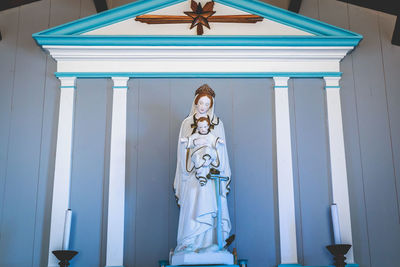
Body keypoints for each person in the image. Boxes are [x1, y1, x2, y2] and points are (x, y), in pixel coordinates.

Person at [174, 84, 231, 254]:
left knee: (211, 205)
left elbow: (222, 150)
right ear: (196, 103)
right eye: (201, 103)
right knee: (193, 205)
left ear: (211, 105)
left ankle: (211, 244)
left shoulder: (218, 124)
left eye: (207, 104)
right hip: (193, 174)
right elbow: (182, 149)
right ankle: (188, 243)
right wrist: (194, 157)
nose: (204, 107)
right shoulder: (186, 123)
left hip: (211, 174)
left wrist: (211, 158)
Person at [181, 116, 224, 186]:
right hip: (198, 154)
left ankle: (206, 164)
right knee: (196, 157)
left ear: (208, 126)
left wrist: (219, 140)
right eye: (200, 127)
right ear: (197, 128)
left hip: (207, 154)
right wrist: (187, 140)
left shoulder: (210, 136)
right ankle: (201, 175)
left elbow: (215, 140)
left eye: (205, 127)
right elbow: (190, 140)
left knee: (208, 150)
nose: (203, 129)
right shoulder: (196, 135)